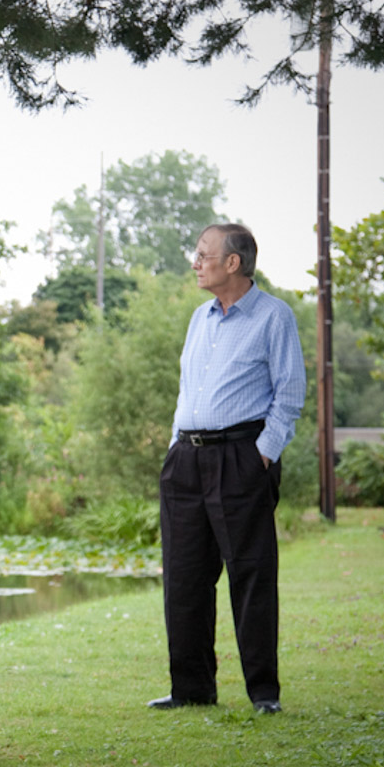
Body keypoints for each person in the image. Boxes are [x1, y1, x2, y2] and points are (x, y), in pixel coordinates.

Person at [152, 223, 306, 715]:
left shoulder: (274, 317)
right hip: (186, 461)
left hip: (242, 458)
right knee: (184, 578)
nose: (195, 262)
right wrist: (177, 442)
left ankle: (264, 693)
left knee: (251, 575)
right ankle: (191, 689)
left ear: (232, 262)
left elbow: (289, 395)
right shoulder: (199, 318)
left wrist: (263, 453)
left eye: (202, 255)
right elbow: (188, 387)